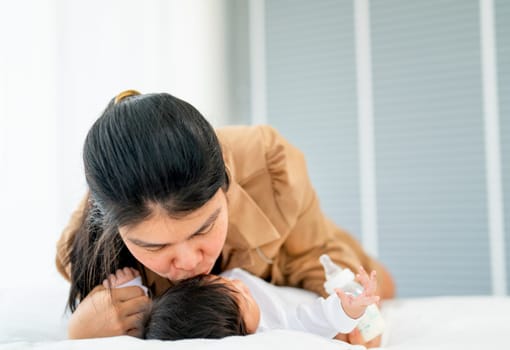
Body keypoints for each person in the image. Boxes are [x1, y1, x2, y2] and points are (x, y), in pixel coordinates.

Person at [55, 90, 395, 346]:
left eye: (203, 228)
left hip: (304, 260)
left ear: (225, 185)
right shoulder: (88, 251)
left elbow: (317, 259)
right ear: (115, 230)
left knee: (384, 287)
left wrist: (344, 314)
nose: (188, 262)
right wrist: (82, 335)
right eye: (155, 246)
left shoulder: (271, 168)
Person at [103, 266, 379, 340]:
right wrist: (348, 308)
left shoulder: (199, 302)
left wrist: (131, 287)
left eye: (224, 283)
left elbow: (154, 320)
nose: (240, 285)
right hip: (312, 297)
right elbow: (314, 319)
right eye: (244, 297)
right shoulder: (273, 330)